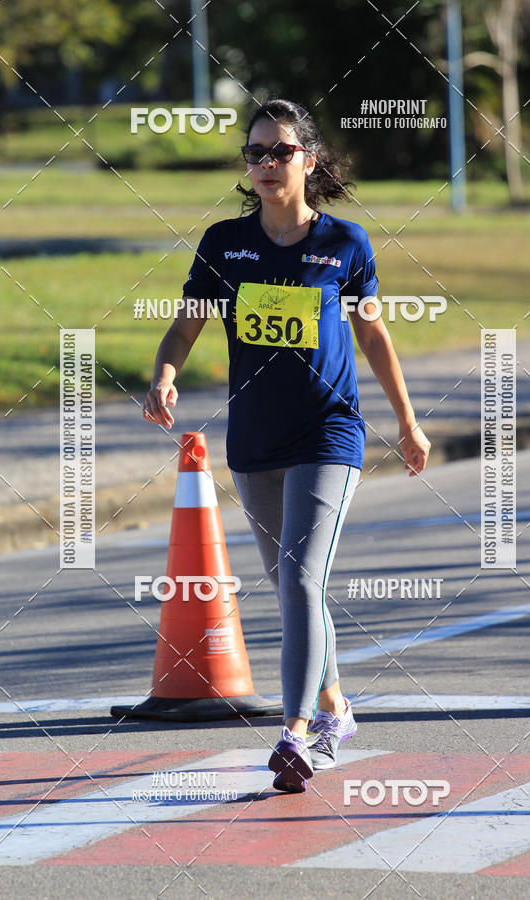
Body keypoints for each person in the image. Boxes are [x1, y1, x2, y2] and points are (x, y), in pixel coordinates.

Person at [142, 98, 431, 793]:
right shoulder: (224, 243)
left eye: (280, 151)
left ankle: (296, 734)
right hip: (255, 435)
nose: (266, 164)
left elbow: (373, 334)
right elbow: (185, 326)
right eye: (255, 153)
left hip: (329, 430)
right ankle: (336, 707)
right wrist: (164, 376)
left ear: (309, 160)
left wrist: (407, 421)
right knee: (288, 583)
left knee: (301, 579)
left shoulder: (345, 243)